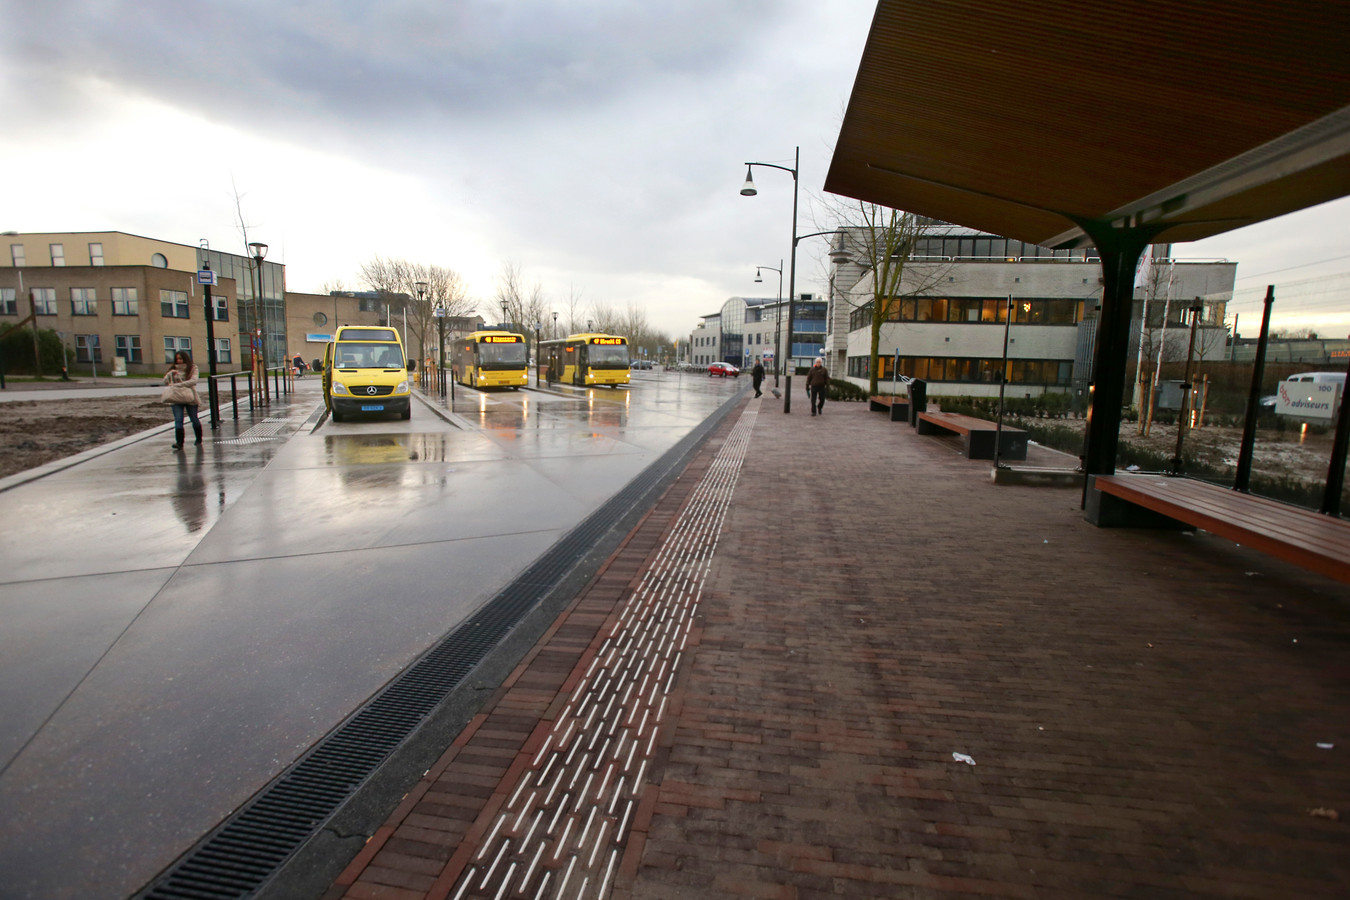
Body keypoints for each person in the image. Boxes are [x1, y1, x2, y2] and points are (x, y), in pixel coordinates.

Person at [163, 350, 203, 450]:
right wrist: (169, 375)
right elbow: (165, 382)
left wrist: (179, 384)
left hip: (190, 397)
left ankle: (198, 439)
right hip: (176, 398)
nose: (179, 361)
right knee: (178, 420)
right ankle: (179, 443)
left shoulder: (193, 368)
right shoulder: (173, 369)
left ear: (185, 359)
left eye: (180, 358)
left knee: (194, 419)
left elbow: (194, 381)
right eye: (177, 359)